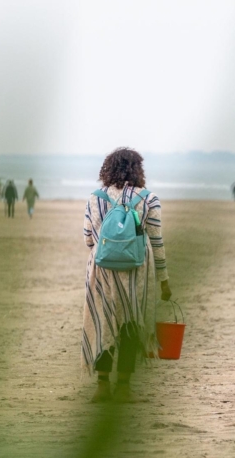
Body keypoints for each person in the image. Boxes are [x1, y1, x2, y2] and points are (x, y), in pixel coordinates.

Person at [82, 147, 172, 403]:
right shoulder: (149, 199)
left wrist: (105, 249)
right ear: (138, 170)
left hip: (101, 271)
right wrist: (164, 280)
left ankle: (101, 385)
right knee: (131, 324)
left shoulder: (94, 198)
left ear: (107, 169)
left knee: (103, 322)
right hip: (136, 273)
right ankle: (123, 386)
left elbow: (88, 238)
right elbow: (157, 243)